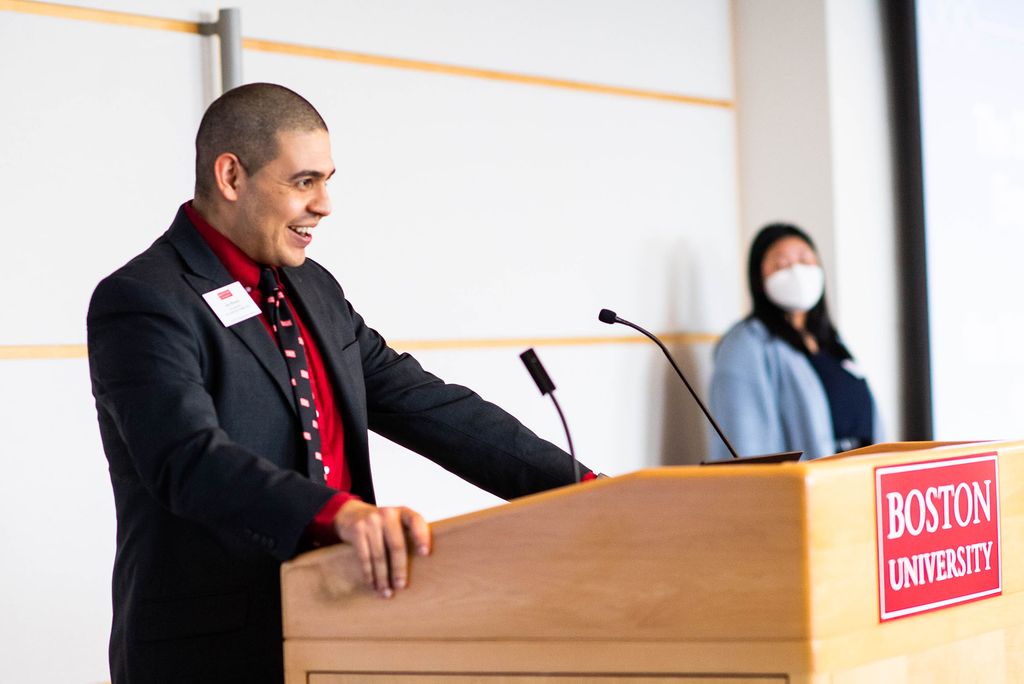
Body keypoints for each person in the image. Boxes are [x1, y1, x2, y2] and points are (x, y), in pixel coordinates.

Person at [87, 83, 592, 684]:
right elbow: (189, 460)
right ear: (230, 176)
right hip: (212, 651)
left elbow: (422, 403)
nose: (325, 204)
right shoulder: (145, 299)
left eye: (328, 180)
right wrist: (338, 516)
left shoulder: (313, 287)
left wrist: (585, 490)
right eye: (304, 182)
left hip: (339, 631)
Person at [706, 223, 882, 461]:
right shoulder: (745, 344)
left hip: (859, 483)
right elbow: (743, 443)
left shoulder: (830, 341)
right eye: (781, 264)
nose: (797, 272)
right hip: (804, 491)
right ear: (758, 278)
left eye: (805, 261)